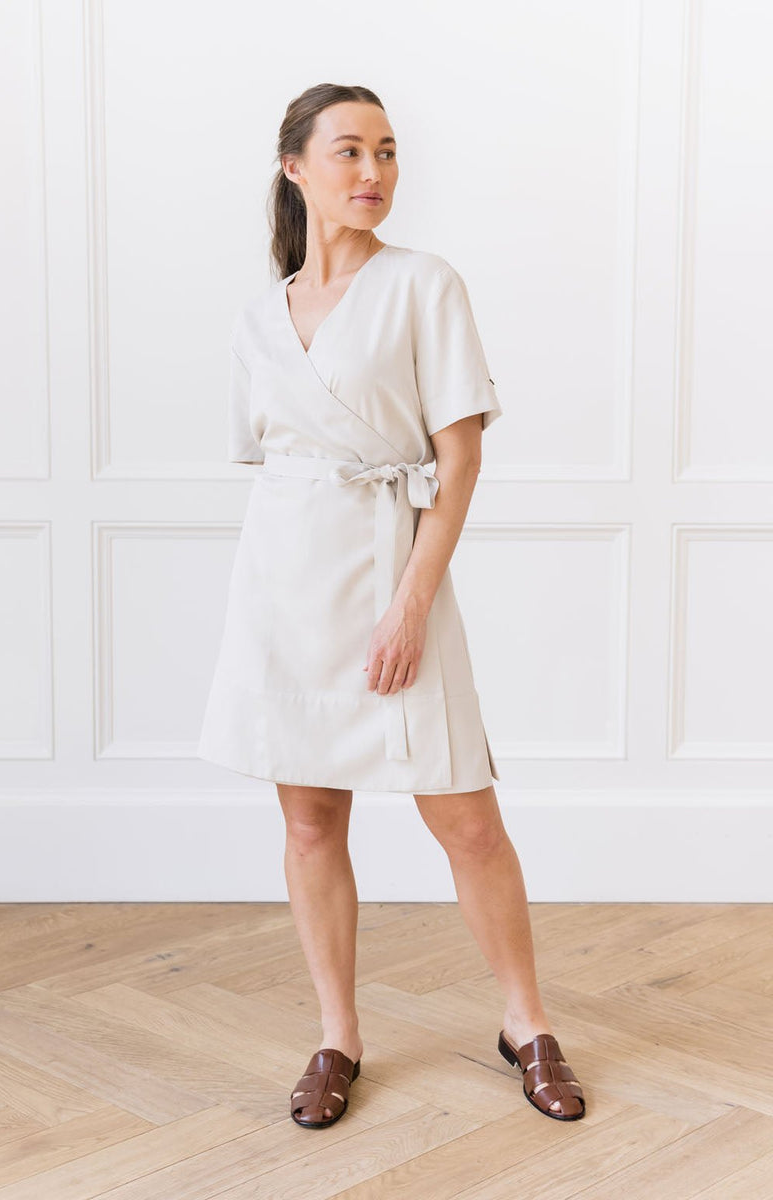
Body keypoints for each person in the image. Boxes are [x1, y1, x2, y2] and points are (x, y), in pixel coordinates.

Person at [197, 83, 586, 1126]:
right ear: (296, 169)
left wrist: (411, 602)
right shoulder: (256, 317)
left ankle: (524, 1022)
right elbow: (272, 465)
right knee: (310, 819)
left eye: (386, 152)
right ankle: (336, 1035)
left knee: (463, 818)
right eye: (348, 152)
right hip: (283, 583)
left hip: (390, 568)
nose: (371, 173)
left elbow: (456, 459)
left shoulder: (423, 286)